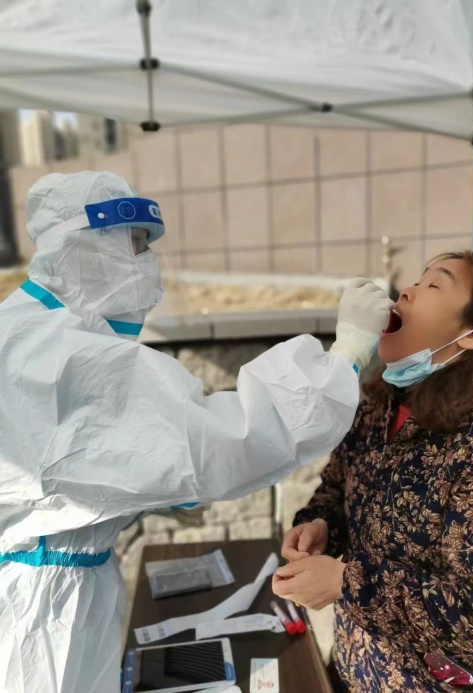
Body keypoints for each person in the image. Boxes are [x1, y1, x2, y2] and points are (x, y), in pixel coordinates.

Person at [0, 171, 393, 693]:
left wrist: (143, 497)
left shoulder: (31, 329)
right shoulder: (66, 355)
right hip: (40, 617)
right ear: (84, 244)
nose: (147, 263)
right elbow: (223, 439)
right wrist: (344, 357)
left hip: (47, 591)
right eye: (135, 244)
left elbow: (60, 471)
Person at [274, 252, 473, 692]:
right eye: (417, 280)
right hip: (355, 670)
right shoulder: (379, 404)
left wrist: (347, 584)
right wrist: (321, 526)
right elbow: (335, 487)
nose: (407, 291)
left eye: (435, 285)